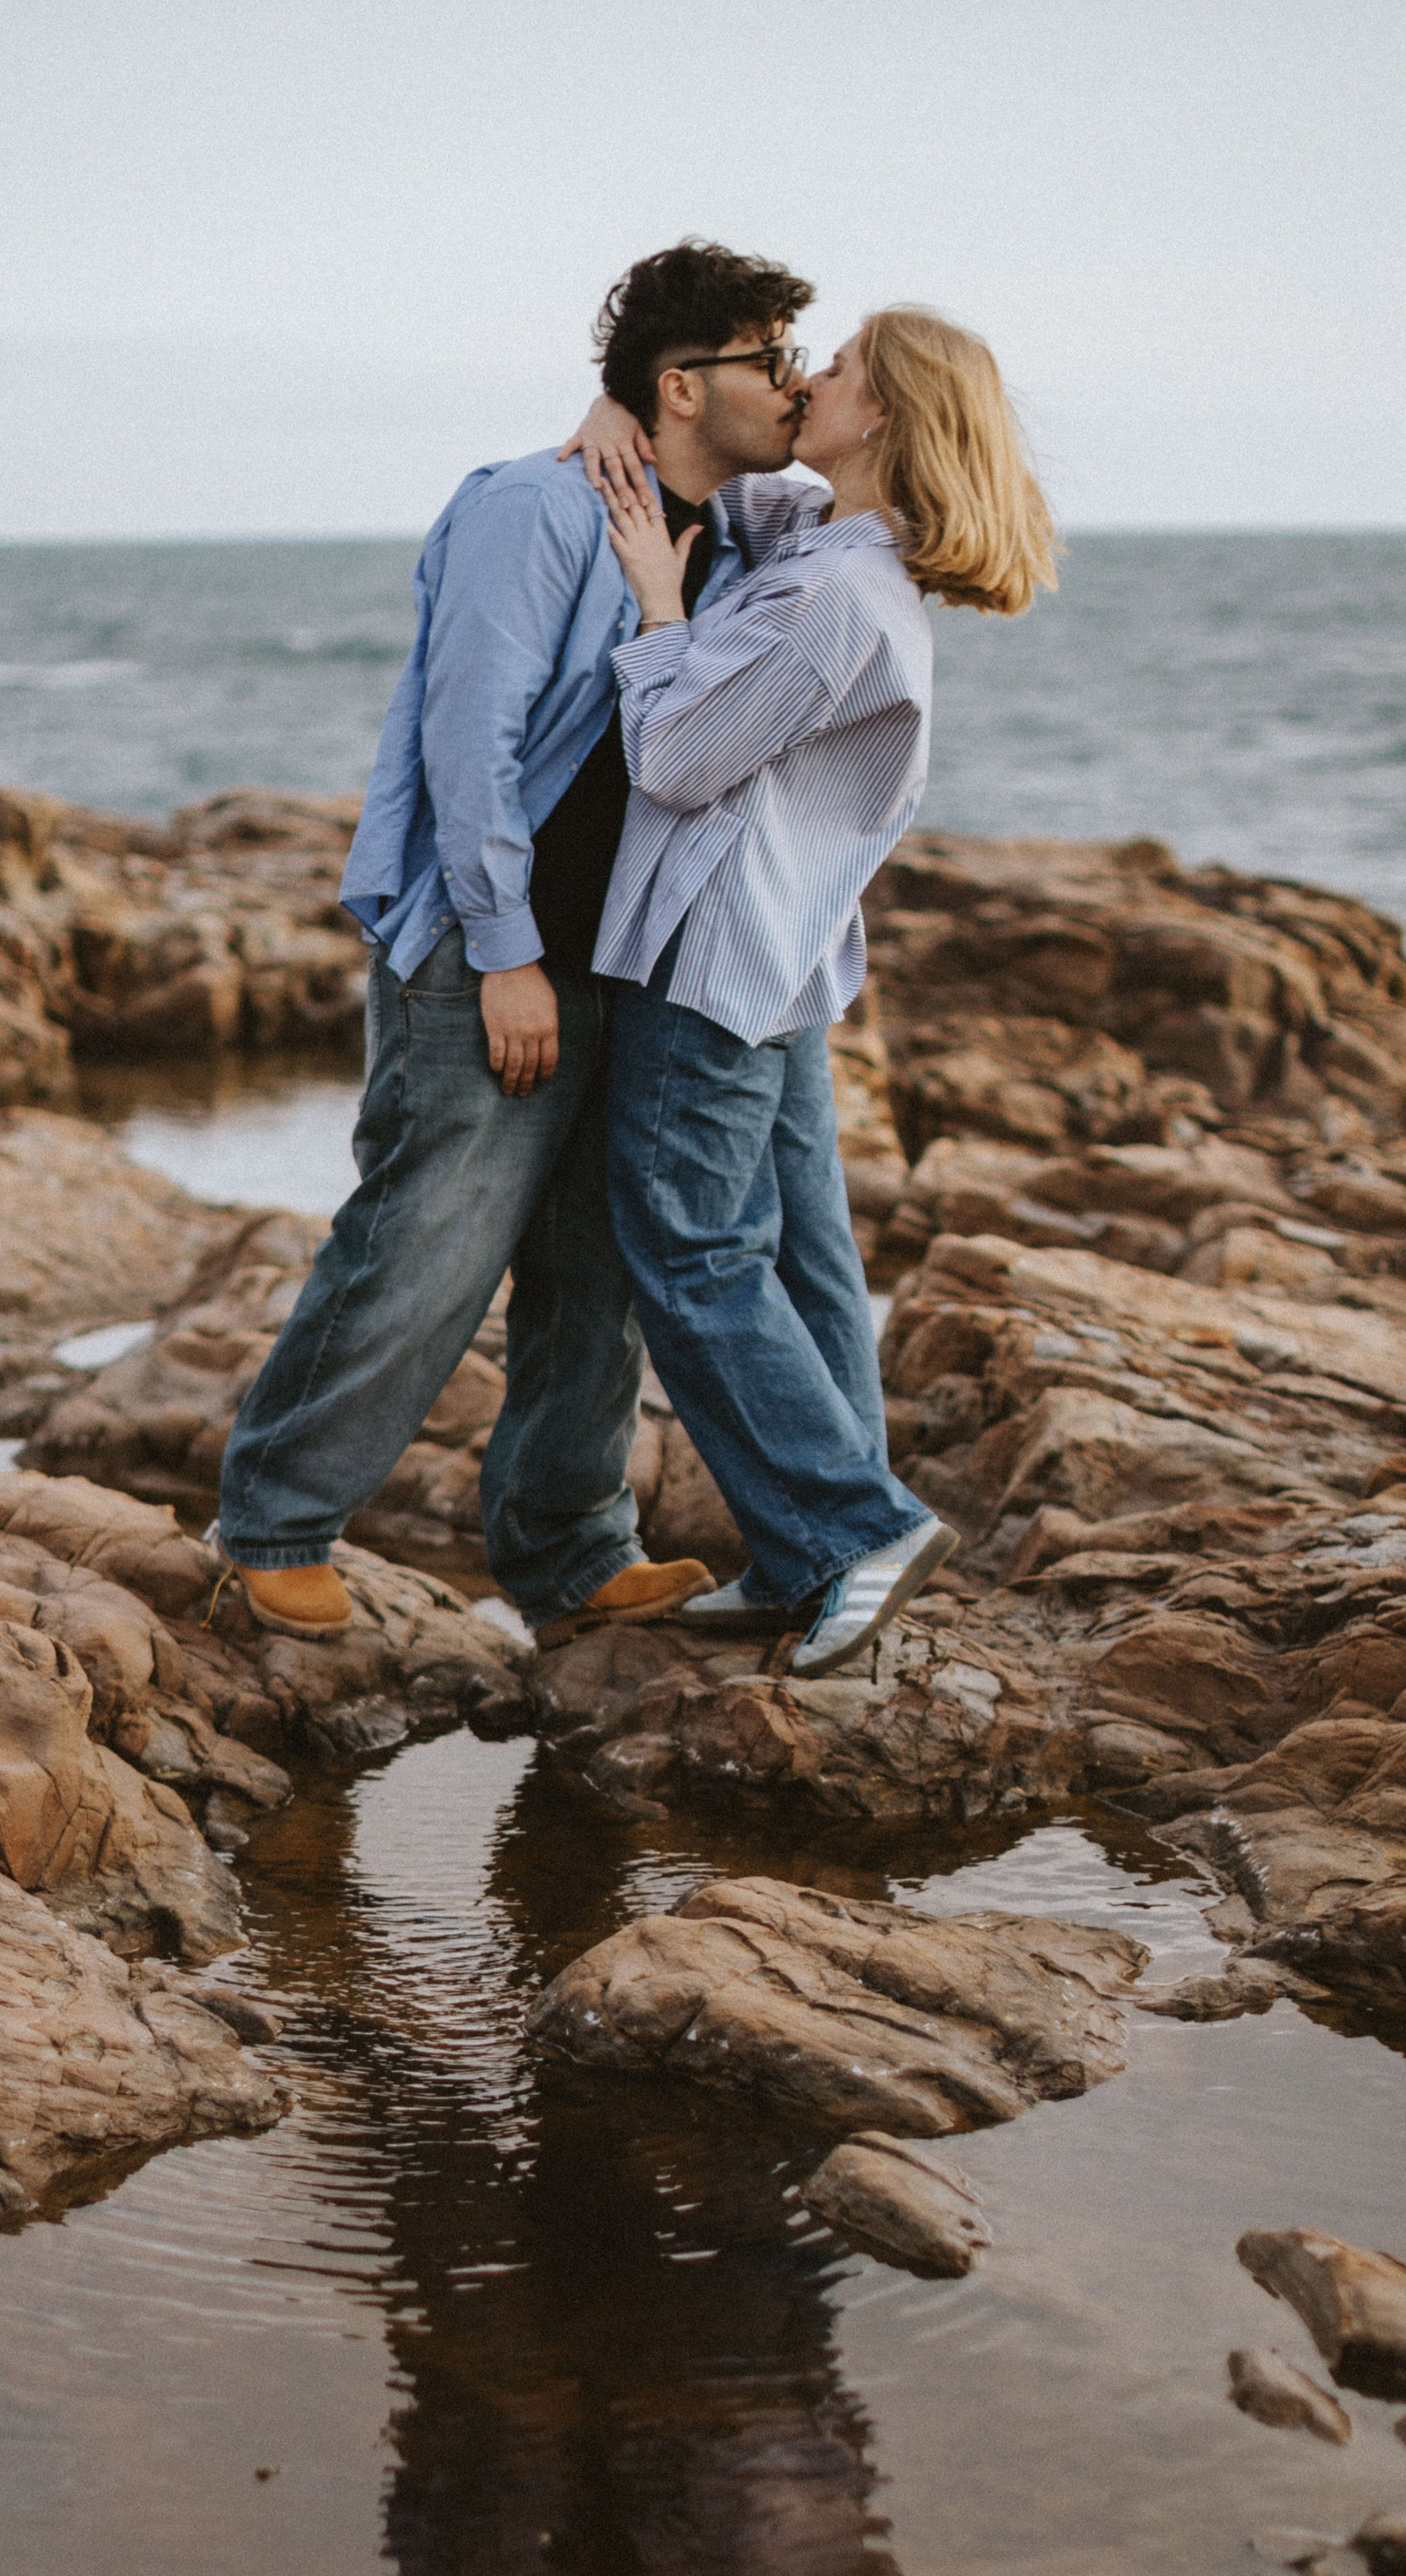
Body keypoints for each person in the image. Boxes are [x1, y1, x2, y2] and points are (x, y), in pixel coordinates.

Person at [212, 242, 816, 1647]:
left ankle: (569, 1548)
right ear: (684, 384)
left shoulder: (744, 528)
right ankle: (273, 1525)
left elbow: (881, 488)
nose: (795, 383)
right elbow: (469, 737)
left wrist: (619, 408)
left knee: (595, 1273)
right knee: (430, 1238)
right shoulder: (533, 507)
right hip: (491, 953)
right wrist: (503, 952)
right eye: (772, 358)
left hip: (632, 959)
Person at [569, 310, 1057, 1675]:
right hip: (781, 958)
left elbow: (676, 756)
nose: (804, 382)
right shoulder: (835, 547)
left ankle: (855, 1532)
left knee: (692, 1251)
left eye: (833, 369)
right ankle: (807, 1553)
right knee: (803, 1259)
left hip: (714, 953)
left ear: (886, 413)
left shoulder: (839, 593)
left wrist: (658, 611)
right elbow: (741, 492)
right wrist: (625, 407)